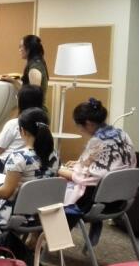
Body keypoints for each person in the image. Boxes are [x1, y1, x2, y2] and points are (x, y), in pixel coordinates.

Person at [58, 98, 136, 245]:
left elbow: (81, 177)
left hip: (97, 202)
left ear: (88, 123)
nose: (79, 129)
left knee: (51, 193)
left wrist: (59, 170)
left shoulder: (97, 141)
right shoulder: (122, 134)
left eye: (79, 125)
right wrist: (80, 163)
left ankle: (48, 241)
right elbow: (112, 164)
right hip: (121, 199)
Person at [0, 107, 58, 233]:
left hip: (15, 213)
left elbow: (5, 193)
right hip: (41, 212)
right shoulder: (54, 154)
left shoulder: (18, 157)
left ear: (22, 131)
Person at [0, 84, 44, 173]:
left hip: (3, 164)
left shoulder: (14, 123)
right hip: (28, 163)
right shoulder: (43, 123)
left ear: (22, 102)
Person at [19, 35, 48, 102]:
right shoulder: (37, 63)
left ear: (29, 48)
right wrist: (12, 81)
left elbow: (34, 98)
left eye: (21, 46)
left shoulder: (34, 68)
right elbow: (27, 92)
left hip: (34, 108)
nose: (19, 50)